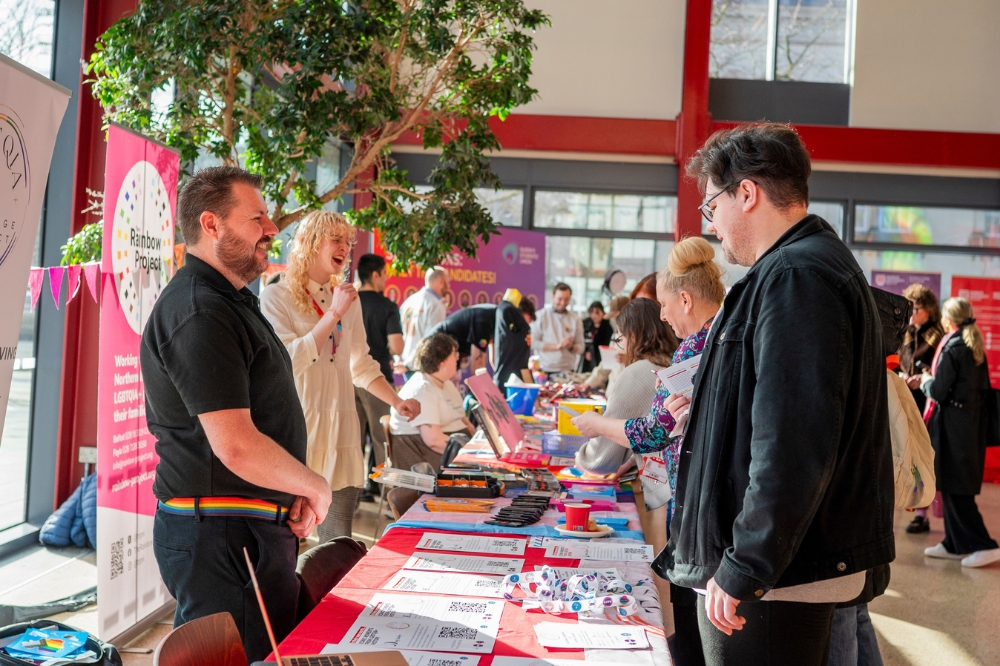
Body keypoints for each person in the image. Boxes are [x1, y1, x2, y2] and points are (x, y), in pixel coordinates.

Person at [668, 124, 893, 665]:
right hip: (778, 573)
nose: (714, 227)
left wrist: (747, 562)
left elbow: (792, 440)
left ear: (746, 193)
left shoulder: (797, 275)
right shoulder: (798, 268)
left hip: (777, 581)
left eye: (712, 207)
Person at [142, 167, 332, 661]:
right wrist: (315, 486)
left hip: (246, 531)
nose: (272, 229)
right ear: (212, 225)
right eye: (258, 218)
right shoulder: (200, 310)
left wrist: (292, 487)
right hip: (223, 538)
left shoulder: (230, 302)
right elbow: (236, 445)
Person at [574, 237, 724, 666]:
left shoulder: (700, 346)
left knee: (698, 636)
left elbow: (655, 429)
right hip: (706, 507)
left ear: (684, 299)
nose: (662, 315)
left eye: (663, 305)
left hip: (702, 511)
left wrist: (597, 425)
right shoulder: (721, 337)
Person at [260, 211, 420, 542]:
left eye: (348, 242)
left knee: (339, 545)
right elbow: (288, 362)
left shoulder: (349, 299)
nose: (345, 248)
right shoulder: (277, 296)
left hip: (343, 434)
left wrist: (397, 400)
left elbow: (360, 365)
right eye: (336, 239)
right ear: (310, 242)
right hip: (300, 434)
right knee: (288, 544)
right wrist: (333, 313)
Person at [921, 297, 1000, 568]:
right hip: (967, 426)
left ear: (948, 319)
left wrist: (924, 381)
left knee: (958, 489)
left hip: (955, 428)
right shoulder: (970, 344)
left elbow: (939, 391)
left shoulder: (954, 347)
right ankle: (954, 543)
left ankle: (984, 545)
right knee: (953, 486)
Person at [354, 253, 404, 501]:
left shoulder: (348, 301)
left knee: (353, 439)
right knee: (380, 437)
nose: (386, 279)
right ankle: (386, 494)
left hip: (349, 377)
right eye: (385, 274)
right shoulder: (388, 306)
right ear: (375, 275)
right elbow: (397, 346)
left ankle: (356, 490)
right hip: (377, 379)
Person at [389, 333, 477, 472]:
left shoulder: (446, 383)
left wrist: (479, 441)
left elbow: (463, 420)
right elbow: (434, 441)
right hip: (428, 459)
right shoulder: (422, 389)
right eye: (454, 354)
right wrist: (472, 453)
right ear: (442, 362)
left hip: (453, 450)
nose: (458, 357)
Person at [898, 283, 944, 534]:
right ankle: (917, 509)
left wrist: (923, 377)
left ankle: (927, 511)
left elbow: (941, 370)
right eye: (910, 307)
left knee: (927, 456)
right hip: (908, 399)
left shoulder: (939, 333)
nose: (912, 312)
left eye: (917, 308)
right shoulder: (904, 332)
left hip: (929, 402)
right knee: (911, 456)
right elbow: (896, 362)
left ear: (929, 310)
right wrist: (902, 376)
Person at [400, 267, 450, 376]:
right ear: (440, 282)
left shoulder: (409, 301)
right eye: (448, 282)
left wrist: (401, 361)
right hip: (422, 366)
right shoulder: (436, 305)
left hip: (405, 363)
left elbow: (400, 334)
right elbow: (431, 339)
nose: (449, 287)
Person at [531, 282, 584, 375]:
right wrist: (557, 346)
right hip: (544, 370)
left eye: (566, 299)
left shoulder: (575, 319)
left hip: (568, 370)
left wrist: (571, 347)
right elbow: (532, 342)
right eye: (560, 299)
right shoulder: (541, 316)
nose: (563, 303)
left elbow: (581, 347)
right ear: (553, 297)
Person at [428, 303, 497, 371]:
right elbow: (478, 364)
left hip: (447, 353)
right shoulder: (485, 320)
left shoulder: (496, 320)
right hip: (433, 350)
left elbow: (496, 361)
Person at [493, 289, 536, 394]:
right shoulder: (506, 312)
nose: (528, 324)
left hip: (518, 378)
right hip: (507, 381)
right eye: (528, 319)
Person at [579, 301, 613, 373]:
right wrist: (586, 352)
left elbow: (607, 346)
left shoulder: (607, 328)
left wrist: (594, 355)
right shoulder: (586, 325)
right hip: (585, 362)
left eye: (597, 313)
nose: (594, 315)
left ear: (603, 313)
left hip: (600, 361)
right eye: (592, 312)